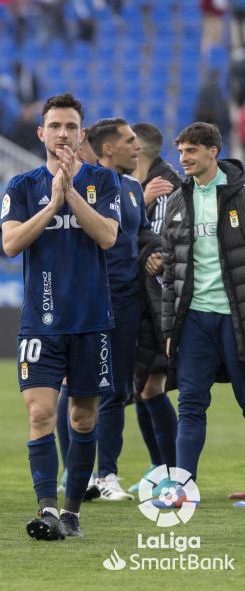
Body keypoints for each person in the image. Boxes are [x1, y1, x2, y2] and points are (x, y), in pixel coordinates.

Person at [1, 93, 120, 540]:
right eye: (55, 126)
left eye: (71, 126)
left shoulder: (102, 182)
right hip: (41, 323)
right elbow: (11, 244)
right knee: (39, 413)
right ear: (41, 133)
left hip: (91, 320)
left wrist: (71, 194)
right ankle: (47, 509)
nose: (63, 134)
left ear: (82, 133)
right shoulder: (23, 186)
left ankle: (71, 512)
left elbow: (108, 236)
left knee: (84, 419)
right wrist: (52, 205)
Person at [63, 118, 158, 501]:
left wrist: (155, 251)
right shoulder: (85, 184)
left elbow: (143, 232)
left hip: (125, 300)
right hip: (86, 298)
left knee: (117, 388)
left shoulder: (134, 188)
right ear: (107, 149)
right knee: (75, 389)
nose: (138, 147)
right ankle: (74, 473)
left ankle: (107, 476)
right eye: (130, 141)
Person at [161, 122, 245, 499]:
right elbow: (168, 273)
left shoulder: (240, 196)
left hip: (236, 317)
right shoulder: (179, 201)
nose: (184, 159)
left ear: (213, 151)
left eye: (191, 151)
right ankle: (182, 488)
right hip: (193, 318)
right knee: (191, 402)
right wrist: (168, 329)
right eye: (180, 152)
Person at [128, 122, 181, 493]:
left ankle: (173, 472)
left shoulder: (165, 187)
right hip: (144, 301)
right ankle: (159, 467)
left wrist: (151, 253)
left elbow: (159, 246)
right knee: (145, 387)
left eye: (130, 144)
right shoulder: (142, 188)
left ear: (141, 151)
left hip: (162, 302)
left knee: (153, 386)